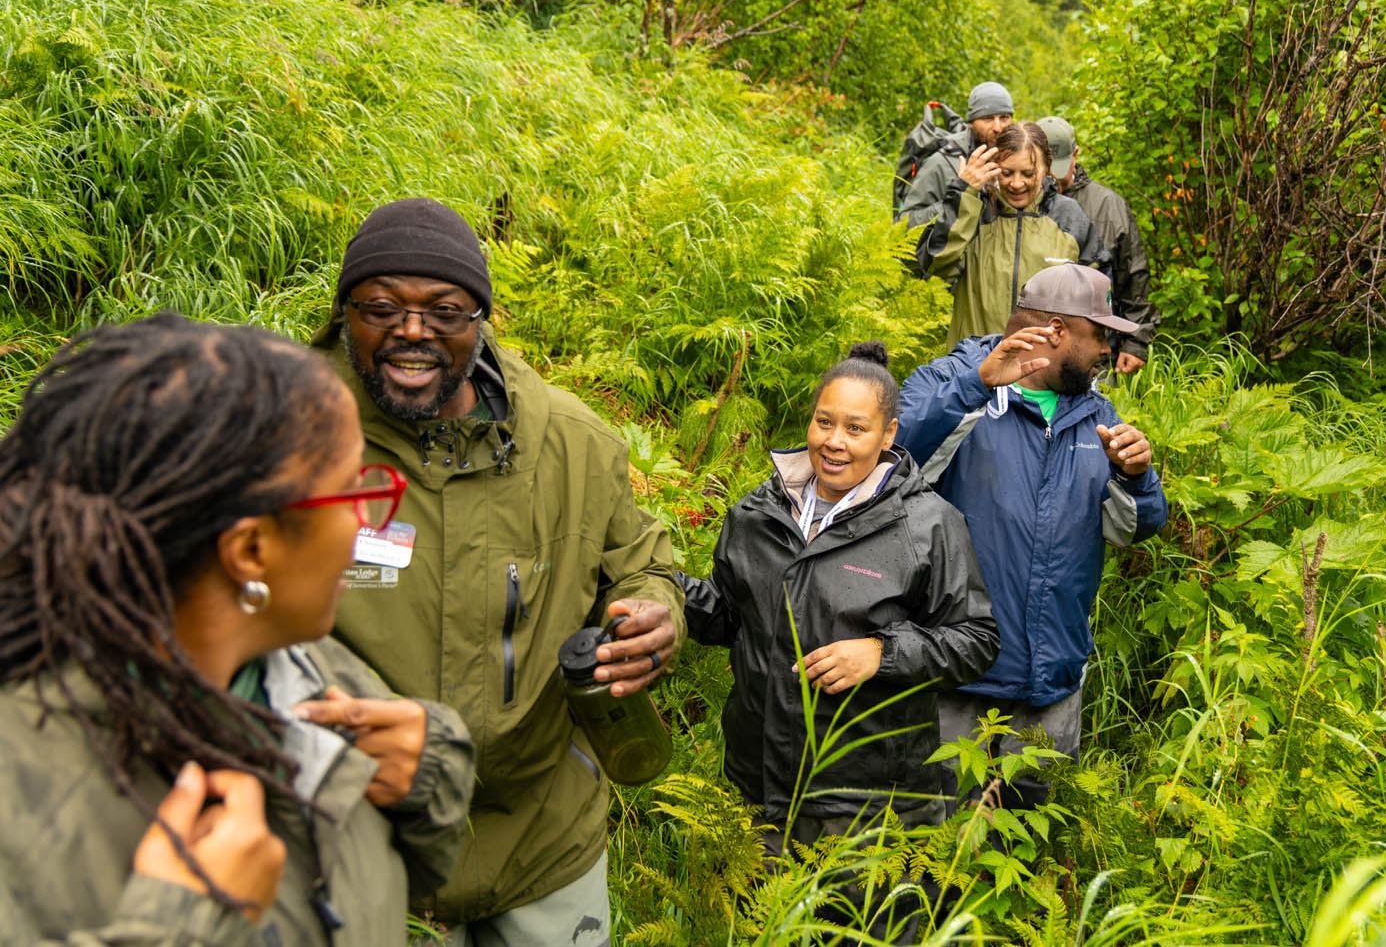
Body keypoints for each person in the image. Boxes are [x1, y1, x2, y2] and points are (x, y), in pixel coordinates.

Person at [0, 313, 475, 947]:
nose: (368, 527)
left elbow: (389, 885)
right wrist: (181, 931)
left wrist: (430, 772)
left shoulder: (308, 668)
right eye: (349, 492)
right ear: (250, 550)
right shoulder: (22, 805)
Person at [310, 197, 684, 947]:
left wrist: (654, 613)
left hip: (546, 834)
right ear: (345, 313)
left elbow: (642, 561)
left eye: (444, 310)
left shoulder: (572, 444)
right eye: (381, 306)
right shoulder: (288, 434)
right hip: (361, 842)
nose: (411, 331)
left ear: (481, 318)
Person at [680, 341, 999, 849]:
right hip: (756, 786)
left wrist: (881, 653)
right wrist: (659, 585)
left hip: (867, 802)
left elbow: (976, 640)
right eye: (824, 422)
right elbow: (728, 617)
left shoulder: (927, 525)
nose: (835, 442)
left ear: (888, 434)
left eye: (856, 428)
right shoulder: (756, 516)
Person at [897, 264, 1168, 810]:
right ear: (1056, 330)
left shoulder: (1098, 413)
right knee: (934, 855)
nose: (1109, 351)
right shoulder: (958, 384)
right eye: (1101, 335)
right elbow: (891, 461)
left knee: (1026, 854)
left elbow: (1131, 529)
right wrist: (975, 385)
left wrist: (1137, 479)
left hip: (1052, 687)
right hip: (957, 682)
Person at [918, 121, 1109, 351]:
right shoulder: (973, 211)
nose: (1016, 184)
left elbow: (1098, 303)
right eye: (1006, 173)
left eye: (1028, 173)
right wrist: (963, 192)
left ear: (1047, 168)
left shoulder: (1068, 217)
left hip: (1046, 372)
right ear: (993, 167)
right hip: (976, 369)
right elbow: (935, 263)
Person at [1039, 115, 1161, 374]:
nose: (1052, 177)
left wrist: (1135, 343)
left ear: (1076, 154)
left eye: (1059, 167)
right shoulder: (1020, 205)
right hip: (1036, 352)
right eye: (1044, 167)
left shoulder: (1109, 205)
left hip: (1100, 356)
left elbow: (1134, 277)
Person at [896, 81, 1015, 230]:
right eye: (988, 119)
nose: (998, 127)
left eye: (1004, 118)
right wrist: (958, 198)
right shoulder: (942, 162)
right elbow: (905, 223)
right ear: (971, 122)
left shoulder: (1015, 159)